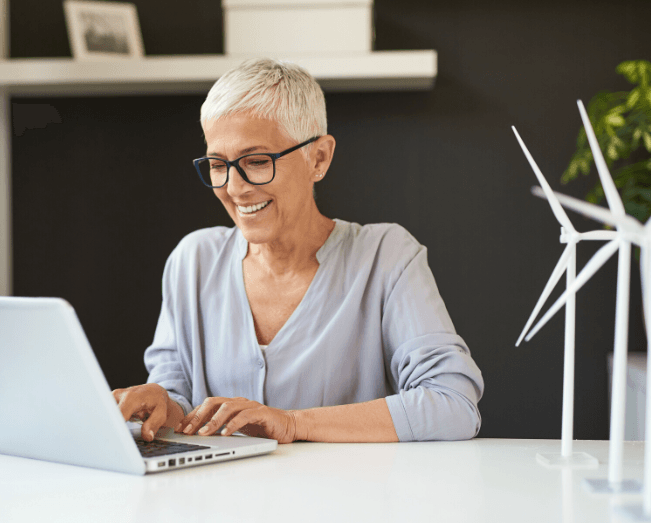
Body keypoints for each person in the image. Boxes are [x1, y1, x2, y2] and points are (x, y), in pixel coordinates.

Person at [113, 58, 483, 443]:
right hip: (218, 503)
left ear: (318, 158)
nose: (235, 188)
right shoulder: (193, 261)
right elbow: (179, 406)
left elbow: (452, 405)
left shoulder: (386, 256)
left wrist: (290, 423)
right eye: (218, 165)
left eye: (256, 161)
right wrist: (160, 405)